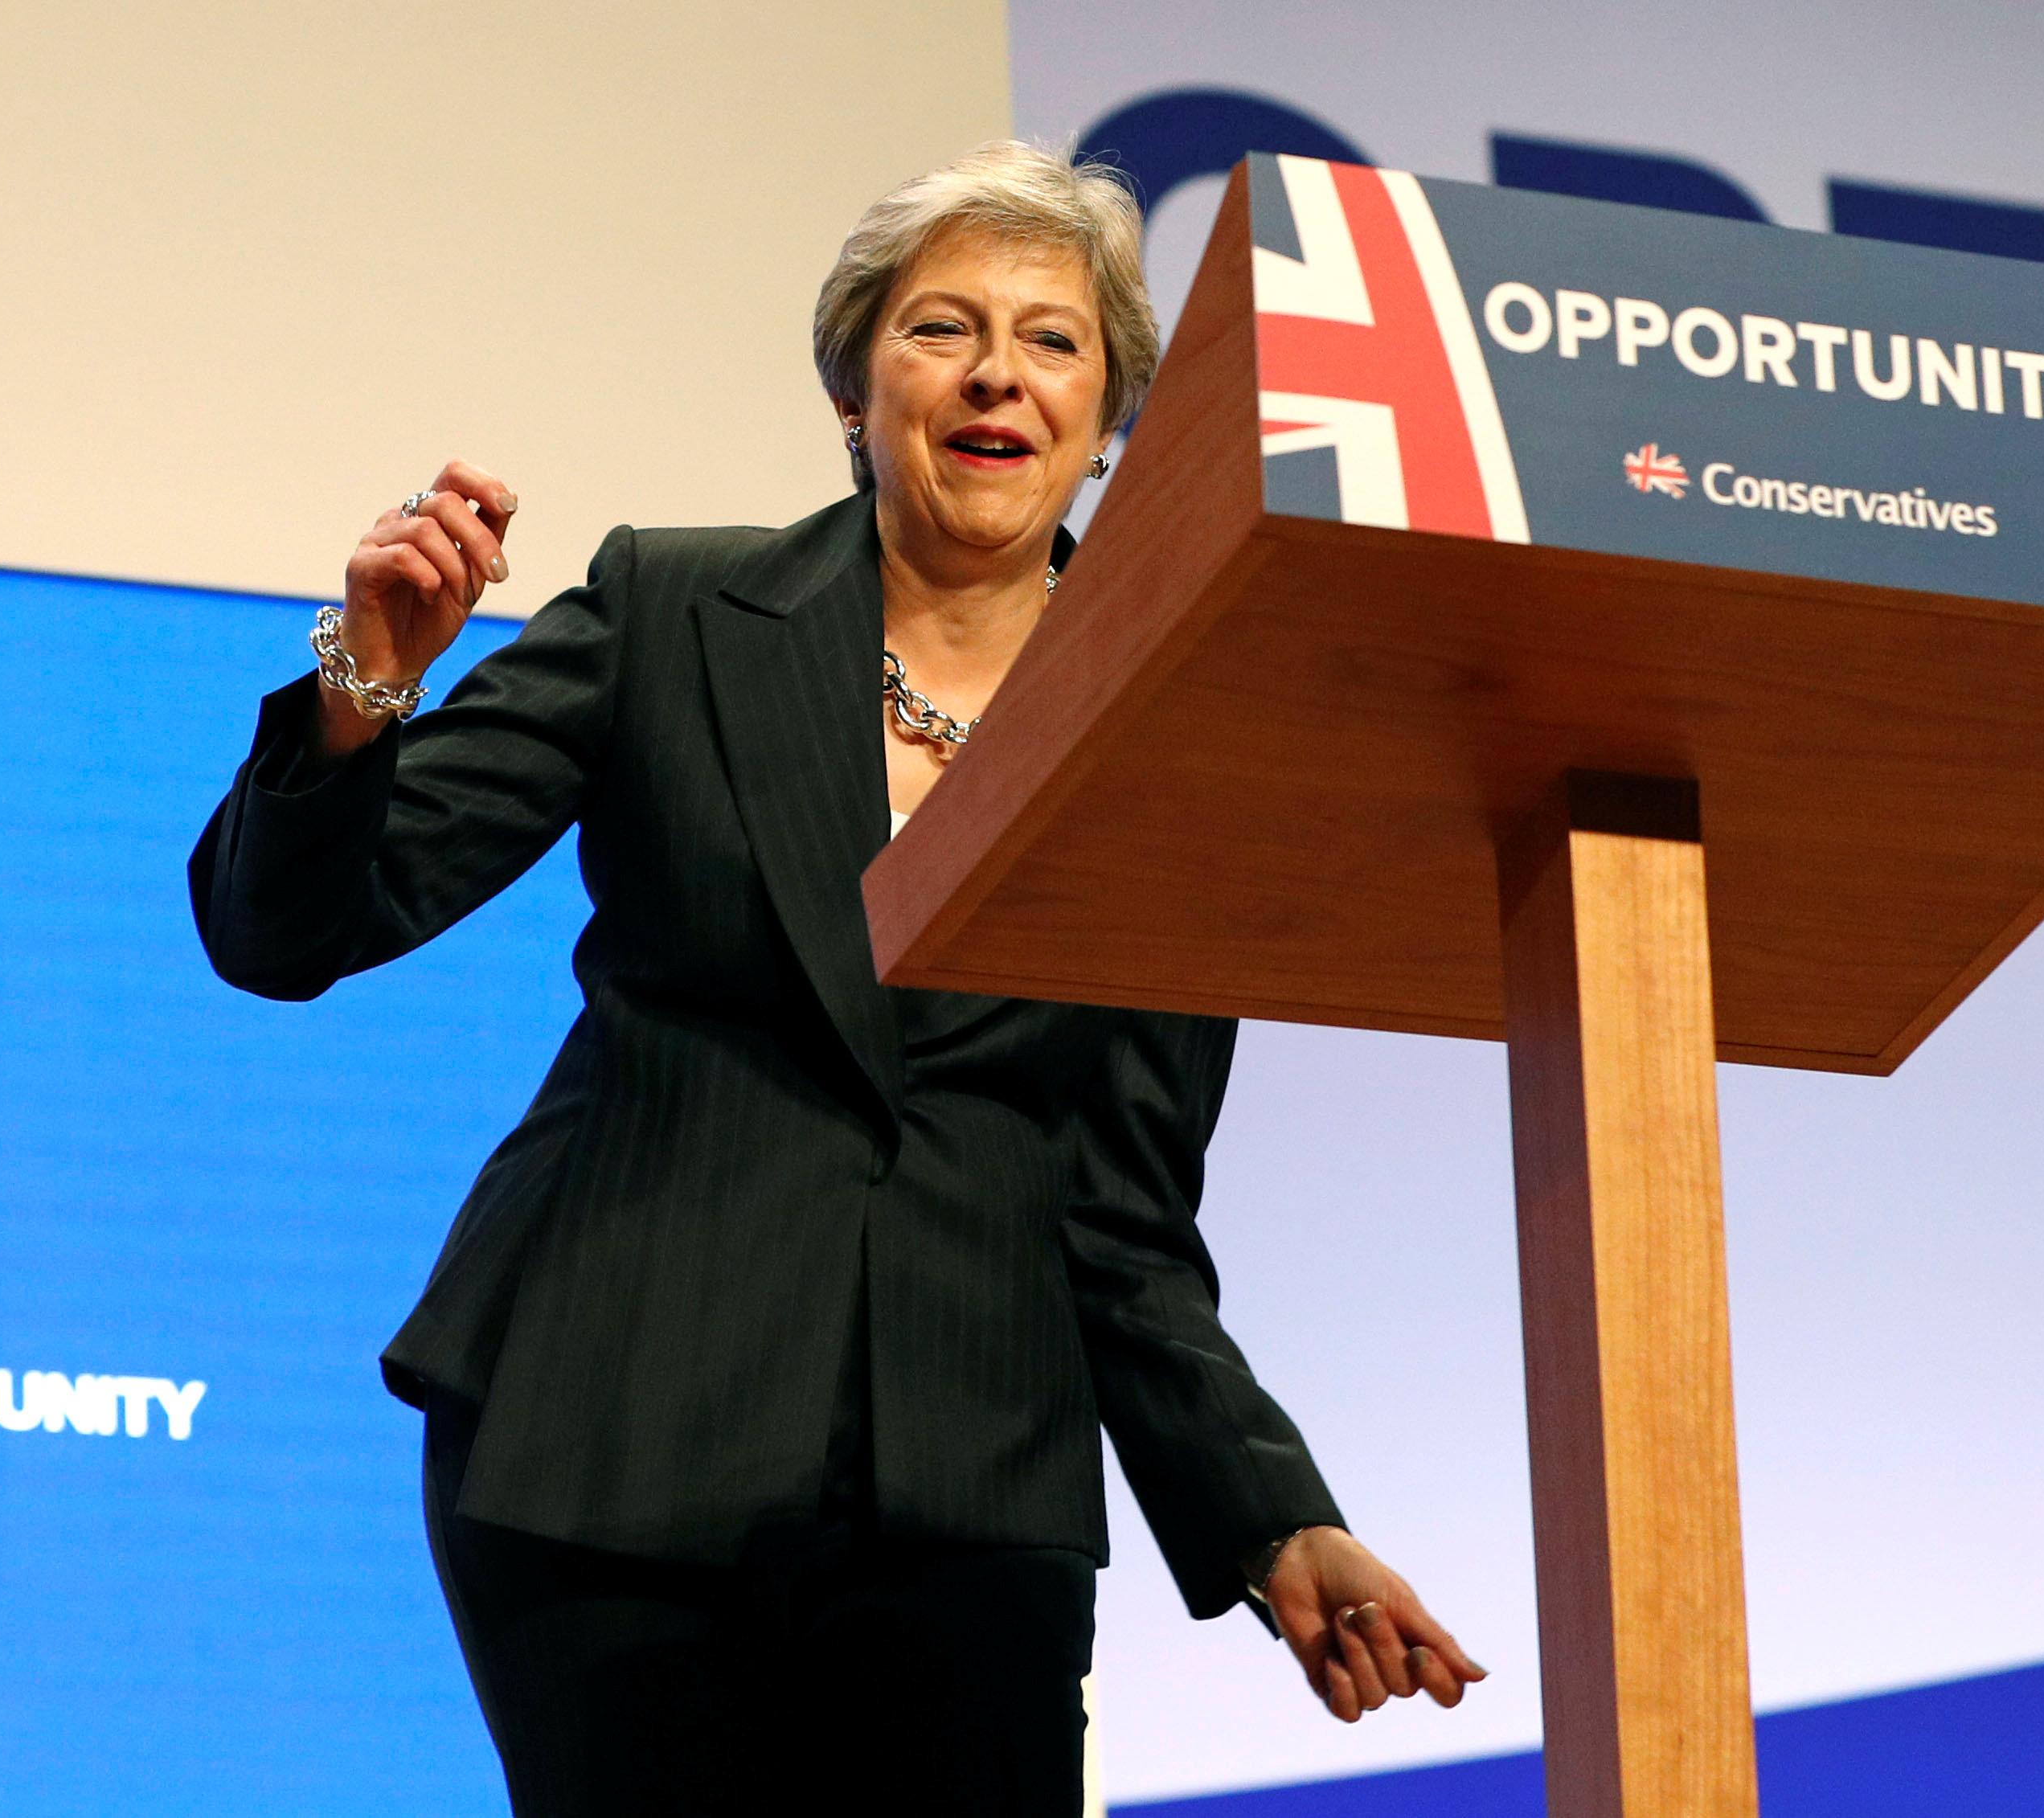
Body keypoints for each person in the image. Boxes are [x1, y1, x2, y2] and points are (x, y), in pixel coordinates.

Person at [190, 140, 1481, 1816]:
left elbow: (1122, 1216)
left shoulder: (1174, 739)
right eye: (942, 328)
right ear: (855, 392)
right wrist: (370, 676)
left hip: (968, 1477)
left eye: (1052, 340)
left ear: (1105, 427)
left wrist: (1268, 1516)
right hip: (610, 1430)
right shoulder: (675, 610)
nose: (997, 371)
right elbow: (286, 935)